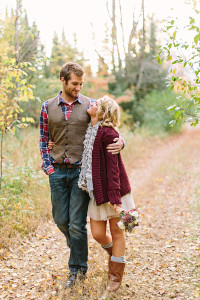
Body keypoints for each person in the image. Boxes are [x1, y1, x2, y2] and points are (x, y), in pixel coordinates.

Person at [39, 62, 124, 288]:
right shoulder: (47, 106)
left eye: (81, 84)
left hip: (81, 174)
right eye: (74, 84)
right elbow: (42, 139)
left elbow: (110, 127)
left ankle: (77, 270)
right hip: (56, 171)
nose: (78, 88)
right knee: (61, 221)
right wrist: (48, 166)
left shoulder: (90, 105)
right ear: (63, 81)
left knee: (77, 225)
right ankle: (78, 249)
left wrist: (121, 141)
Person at [78, 96, 135, 292]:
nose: (90, 104)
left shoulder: (108, 134)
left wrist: (116, 201)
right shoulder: (90, 128)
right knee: (98, 234)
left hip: (113, 192)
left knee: (117, 232)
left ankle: (115, 275)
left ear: (102, 113)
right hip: (97, 192)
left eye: (96, 104)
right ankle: (114, 255)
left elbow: (113, 170)